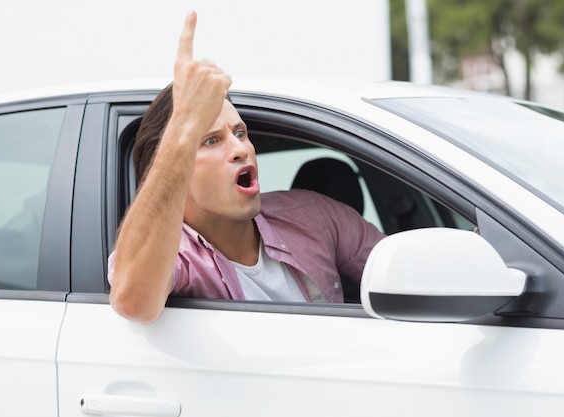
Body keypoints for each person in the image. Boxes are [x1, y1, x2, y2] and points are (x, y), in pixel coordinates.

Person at [108, 11, 385, 323]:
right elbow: (133, 302)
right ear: (176, 169)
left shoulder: (314, 215)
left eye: (239, 133)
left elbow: (404, 273)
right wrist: (182, 131)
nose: (241, 149)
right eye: (211, 141)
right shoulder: (180, 258)